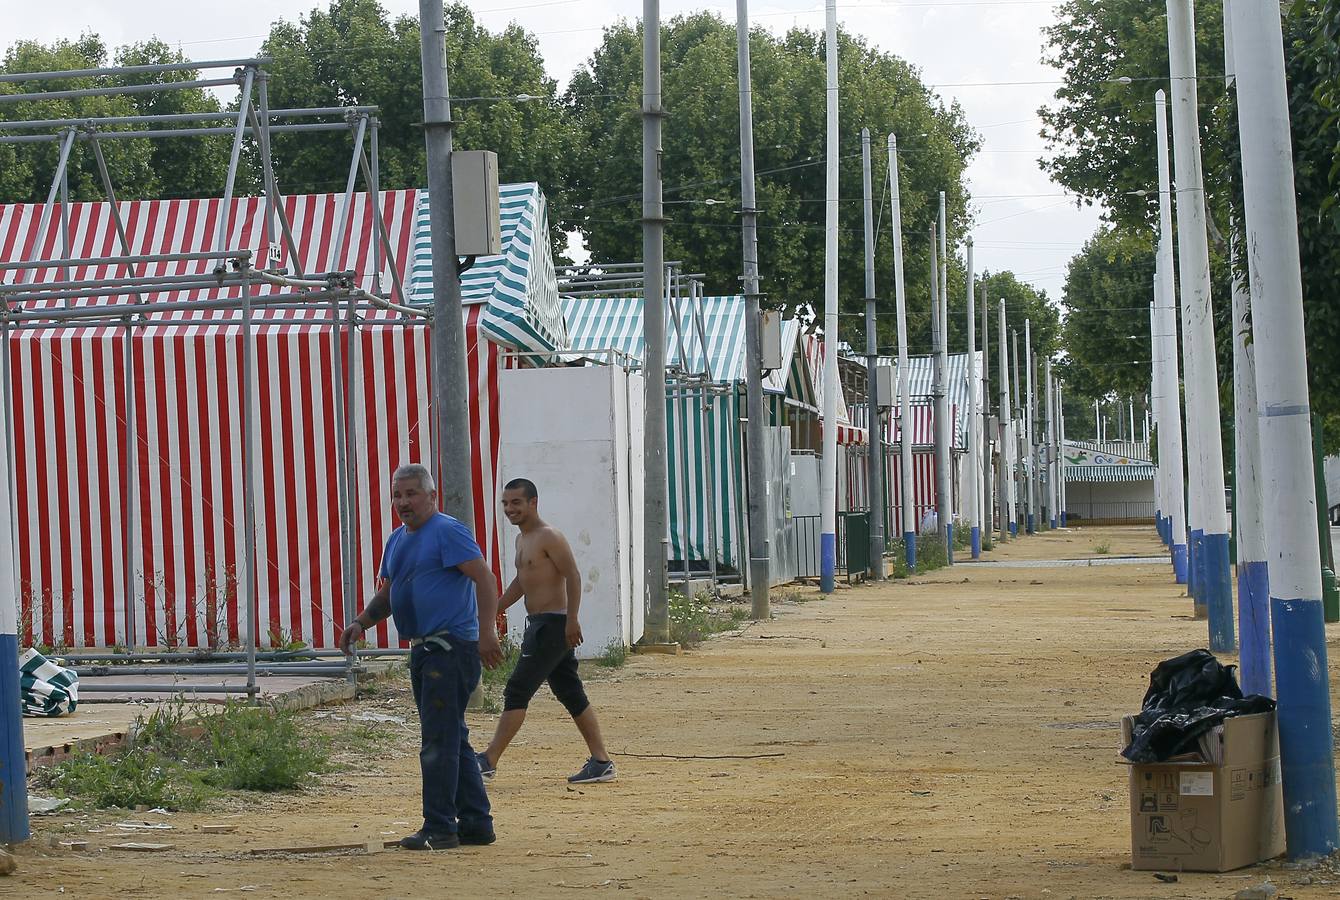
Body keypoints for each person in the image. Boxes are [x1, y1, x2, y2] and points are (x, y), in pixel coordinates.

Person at [339, 463, 504, 851]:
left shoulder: (447, 531)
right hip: (424, 650)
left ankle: (440, 826)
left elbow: (484, 577)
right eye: (397, 495)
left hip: (450, 649)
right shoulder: (398, 540)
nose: (403, 502)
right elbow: (391, 591)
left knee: (438, 741)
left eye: (412, 494)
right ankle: (476, 823)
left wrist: (487, 631)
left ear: (432, 496)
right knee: (452, 737)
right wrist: (361, 622)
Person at [476, 478, 615, 785]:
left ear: (533, 502)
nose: (510, 509)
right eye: (506, 503)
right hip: (540, 625)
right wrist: (496, 607)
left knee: (516, 689)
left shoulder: (549, 536)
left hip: (553, 626)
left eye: (517, 503)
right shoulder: (521, 540)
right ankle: (601, 761)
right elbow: (521, 581)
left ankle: (487, 760)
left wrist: (572, 619)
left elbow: (573, 576)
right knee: (570, 691)